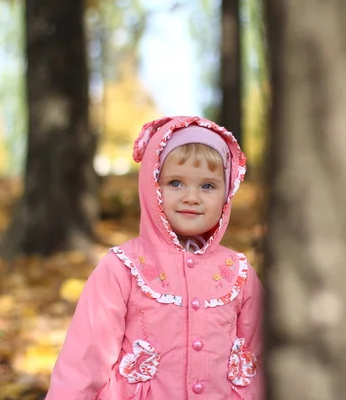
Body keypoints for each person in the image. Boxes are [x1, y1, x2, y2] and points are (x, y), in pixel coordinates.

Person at [45, 116, 263, 399]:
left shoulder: (238, 273)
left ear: (227, 193)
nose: (192, 197)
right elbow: (85, 359)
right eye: (175, 183)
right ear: (152, 186)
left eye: (207, 186)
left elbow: (262, 356)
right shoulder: (123, 267)